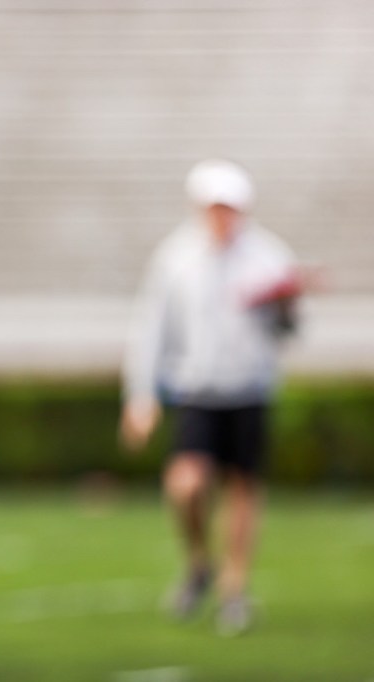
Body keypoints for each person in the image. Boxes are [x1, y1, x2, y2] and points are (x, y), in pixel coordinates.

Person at [120, 159, 301, 636]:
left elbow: (289, 329)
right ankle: (200, 561)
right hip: (197, 390)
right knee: (186, 484)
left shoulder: (268, 255)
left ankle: (233, 589)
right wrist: (141, 396)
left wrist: (284, 307)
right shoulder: (176, 257)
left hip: (248, 389)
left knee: (243, 489)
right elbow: (151, 329)